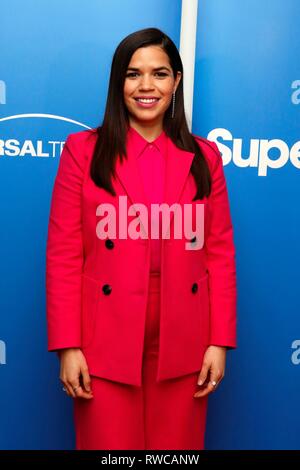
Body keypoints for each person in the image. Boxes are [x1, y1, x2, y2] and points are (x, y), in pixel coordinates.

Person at [46, 27, 237, 450]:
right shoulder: (83, 151)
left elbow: (219, 254)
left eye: (160, 73)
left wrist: (218, 342)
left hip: (184, 340)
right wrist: (68, 346)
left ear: (177, 82)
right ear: (119, 82)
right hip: (103, 342)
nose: (147, 86)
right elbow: (63, 254)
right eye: (134, 74)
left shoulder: (205, 157)